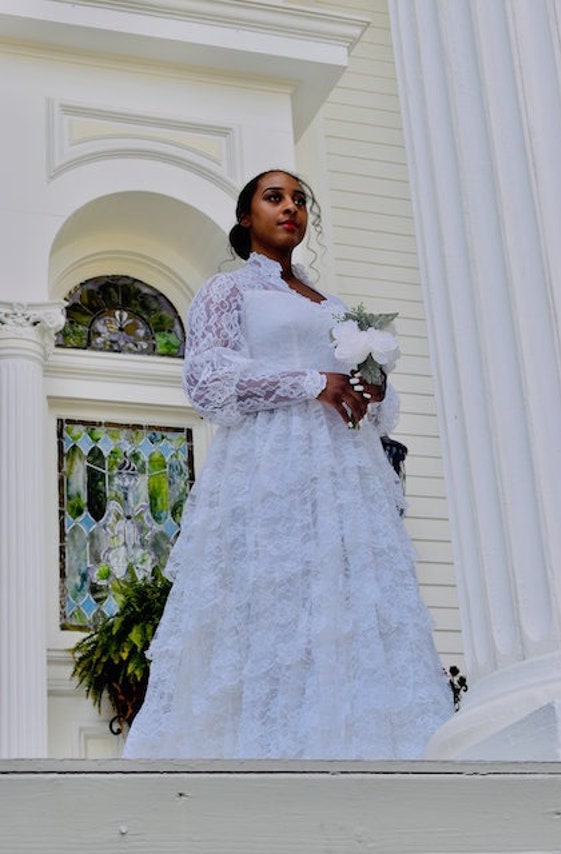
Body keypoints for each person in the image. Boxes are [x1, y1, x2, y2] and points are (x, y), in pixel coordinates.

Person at [123, 169, 453, 760]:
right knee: (268, 593)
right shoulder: (228, 293)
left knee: (343, 602)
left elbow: (380, 409)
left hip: (342, 474)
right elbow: (208, 380)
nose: (291, 208)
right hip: (268, 465)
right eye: (274, 198)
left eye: (300, 200)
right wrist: (311, 382)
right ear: (246, 217)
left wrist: (373, 391)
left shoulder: (336, 306)